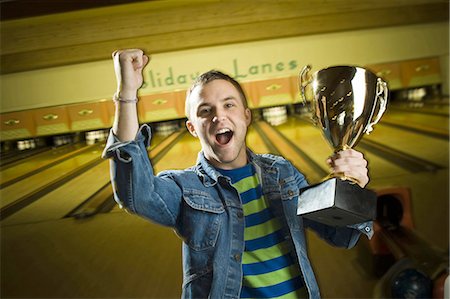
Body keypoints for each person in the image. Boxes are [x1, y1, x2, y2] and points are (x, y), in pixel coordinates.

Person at [103, 49, 373, 299]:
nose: (218, 116)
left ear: (246, 116)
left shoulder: (282, 172)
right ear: (193, 128)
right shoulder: (185, 187)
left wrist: (352, 188)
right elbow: (135, 195)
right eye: (205, 111)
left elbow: (340, 235)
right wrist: (127, 93)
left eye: (228, 105)